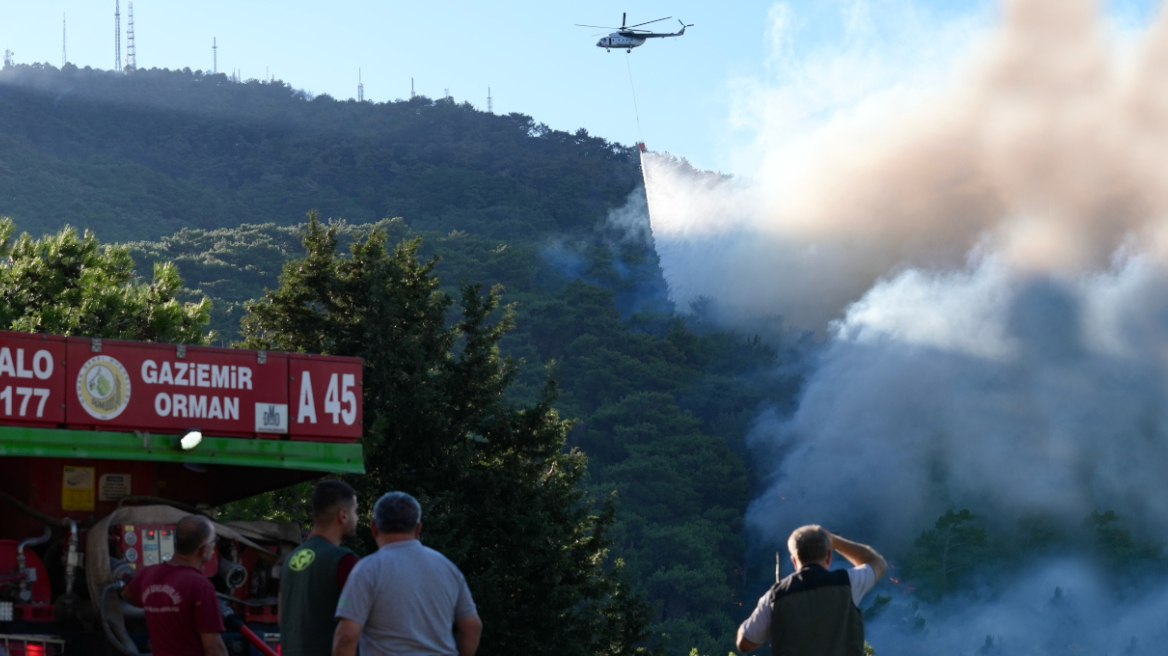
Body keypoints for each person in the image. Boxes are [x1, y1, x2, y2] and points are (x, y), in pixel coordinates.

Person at [333, 491, 482, 656]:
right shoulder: (448, 568)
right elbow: (472, 627)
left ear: (374, 527)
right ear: (418, 529)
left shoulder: (367, 569)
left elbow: (346, 636)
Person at [736, 525, 887, 656]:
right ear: (829, 557)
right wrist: (833, 540)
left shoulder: (775, 596)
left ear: (794, 561)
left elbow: (744, 643)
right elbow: (877, 563)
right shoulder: (847, 583)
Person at [124, 514, 227, 656]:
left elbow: (127, 595)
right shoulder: (200, 585)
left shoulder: (148, 574)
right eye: (214, 541)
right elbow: (214, 649)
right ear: (204, 550)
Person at [279, 479, 361, 656]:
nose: (357, 518)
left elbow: (281, 618)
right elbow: (350, 631)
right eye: (355, 512)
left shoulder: (290, 561)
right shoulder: (343, 561)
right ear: (343, 515)